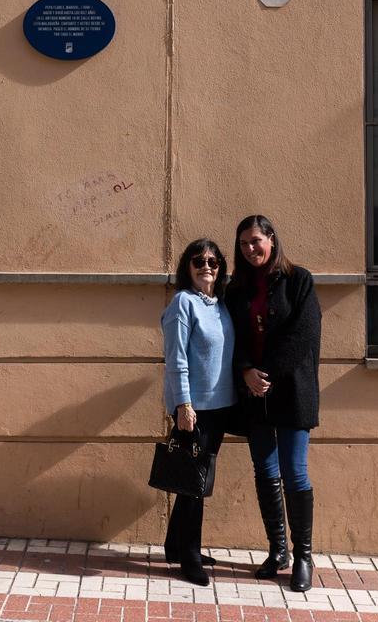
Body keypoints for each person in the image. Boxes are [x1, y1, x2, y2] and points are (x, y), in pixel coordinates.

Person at [225, 215, 322, 593]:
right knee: (265, 471)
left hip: (291, 391)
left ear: (271, 240)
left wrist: (266, 373)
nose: (251, 249)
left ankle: (303, 557)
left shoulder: (299, 280)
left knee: (294, 472)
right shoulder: (236, 290)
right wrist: (247, 371)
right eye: (244, 244)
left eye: (256, 241)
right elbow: (232, 337)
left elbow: (304, 335)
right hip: (254, 394)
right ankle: (277, 550)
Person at [160, 238, 237, 587]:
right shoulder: (183, 303)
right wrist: (183, 404)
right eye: (198, 261)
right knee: (194, 486)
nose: (206, 266)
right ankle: (189, 555)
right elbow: (176, 358)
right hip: (195, 408)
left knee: (194, 480)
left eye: (213, 261)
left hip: (220, 407)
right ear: (187, 267)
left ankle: (174, 545)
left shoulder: (220, 305)